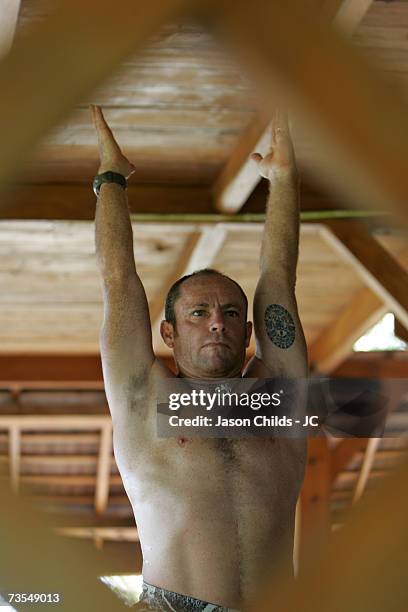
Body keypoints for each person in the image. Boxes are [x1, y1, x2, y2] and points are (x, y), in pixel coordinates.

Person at [92, 105, 308, 612]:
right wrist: (110, 178)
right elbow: (119, 279)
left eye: (232, 312)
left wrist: (283, 181)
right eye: (199, 313)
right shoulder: (143, 395)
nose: (218, 322)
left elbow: (279, 277)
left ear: (249, 331)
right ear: (166, 333)